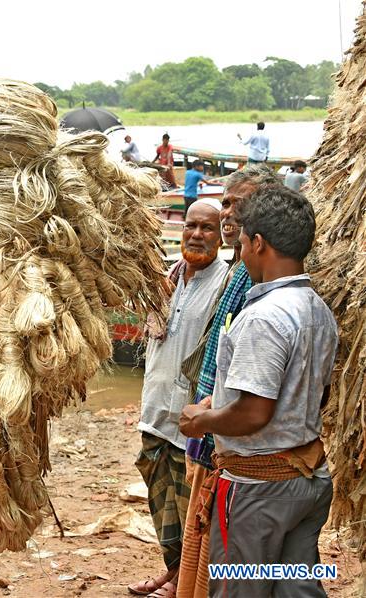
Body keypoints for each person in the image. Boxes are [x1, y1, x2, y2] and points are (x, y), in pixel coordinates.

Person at [180, 184, 337, 598]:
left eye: (244, 240)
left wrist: (203, 420)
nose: (242, 250)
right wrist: (228, 402)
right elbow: (311, 395)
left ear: (259, 243)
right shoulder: (316, 308)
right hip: (308, 480)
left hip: (259, 490)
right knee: (295, 589)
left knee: (241, 589)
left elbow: (254, 414)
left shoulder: (263, 317)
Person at [175, 164, 283, 598]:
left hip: (231, 434)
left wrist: (210, 419)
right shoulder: (240, 269)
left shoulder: (258, 279)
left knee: (231, 556)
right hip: (212, 420)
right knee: (204, 539)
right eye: (226, 203)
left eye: (240, 204)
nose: (228, 213)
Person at [131, 198, 228, 598]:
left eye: (208, 228)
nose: (197, 234)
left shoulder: (225, 284)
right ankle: (172, 572)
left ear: (222, 235)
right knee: (160, 505)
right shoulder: (166, 276)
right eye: (191, 226)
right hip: (154, 410)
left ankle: (178, 579)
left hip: (189, 422)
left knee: (189, 510)